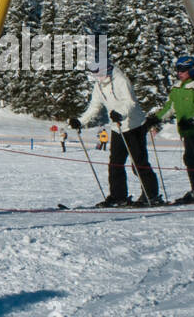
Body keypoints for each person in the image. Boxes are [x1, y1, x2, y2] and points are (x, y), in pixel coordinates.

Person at [68, 60, 163, 207]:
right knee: (115, 164)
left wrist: (121, 114)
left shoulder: (121, 80)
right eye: (93, 73)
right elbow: (94, 106)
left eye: (97, 72)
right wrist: (81, 121)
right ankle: (118, 196)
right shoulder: (99, 85)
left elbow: (130, 103)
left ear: (106, 70)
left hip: (134, 125)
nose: (95, 76)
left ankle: (151, 195)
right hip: (117, 127)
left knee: (139, 162)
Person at [149, 55, 194, 204]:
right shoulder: (177, 87)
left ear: (192, 70)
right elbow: (171, 107)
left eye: (183, 70)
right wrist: (156, 118)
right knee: (191, 159)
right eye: (178, 69)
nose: (179, 73)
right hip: (186, 130)